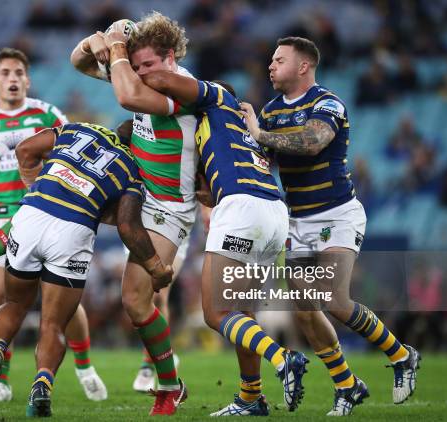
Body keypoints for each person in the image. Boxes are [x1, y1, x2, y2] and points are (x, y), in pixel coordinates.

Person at [115, 49, 312, 413]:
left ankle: (284, 359)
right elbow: (205, 185)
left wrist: (124, 62)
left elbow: (163, 85)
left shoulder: (216, 100)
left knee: (216, 312)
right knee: (243, 312)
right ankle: (251, 396)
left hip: (241, 208)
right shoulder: (229, 128)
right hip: (273, 211)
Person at [240, 36, 421, 416]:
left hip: (337, 214)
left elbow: (312, 143)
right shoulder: (271, 111)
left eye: (279, 59)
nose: (270, 66)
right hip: (299, 220)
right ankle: (347, 384)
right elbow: (262, 162)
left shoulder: (327, 103)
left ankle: (402, 355)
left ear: (303, 66)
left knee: (333, 300)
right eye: (271, 60)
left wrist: (260, 134)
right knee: (305, 310)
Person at [0, 122, 174, 417]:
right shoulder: (132, 168)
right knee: (53, 324)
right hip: (74, 229)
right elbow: (128, 226)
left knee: (13, 303)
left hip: (32, 214)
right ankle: (42, 384)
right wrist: (156, 268)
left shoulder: (77, 129)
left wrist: (35, 187)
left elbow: (25, 149)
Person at [0, 47, 106, 402]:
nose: (13, 79)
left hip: (47, 210)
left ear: (28, 79)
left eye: (19, 72)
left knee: (61, 302)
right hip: (3, 213)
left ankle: (84, 365)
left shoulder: (46, 114)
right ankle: (0, 377)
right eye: (5, 73)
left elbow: (75, 153)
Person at [70, 13, 195, 414]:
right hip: (144, 197)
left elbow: (127, 98)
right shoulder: (142, 72)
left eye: (149, 66)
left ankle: (164, 382)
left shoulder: (183, 86)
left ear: (170, 57)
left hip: (172, 208)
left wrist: (118, 47)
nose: (142, 73)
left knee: (138, 298)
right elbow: (78, 61)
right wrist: (99, 40)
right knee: (137, 299)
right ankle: (167, 382)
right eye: (137, 67)